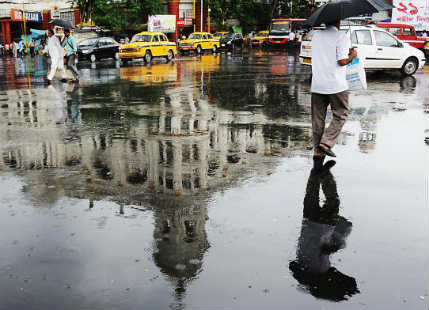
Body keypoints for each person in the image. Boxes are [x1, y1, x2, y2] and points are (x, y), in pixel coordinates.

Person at [289, 159, 359, 301]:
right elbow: (295, 262)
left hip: (325, 225)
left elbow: (327, 248)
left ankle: (325, 174)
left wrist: (340, 242)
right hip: (308, 221)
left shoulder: (321, 269)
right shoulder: (301, 264)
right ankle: (316, 169)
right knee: (311, 193)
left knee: (333, 200)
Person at [310, 20, 357, 158]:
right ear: (338, 21)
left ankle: (317, 151)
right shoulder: (342, 36)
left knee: (318, 118)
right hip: (336, 85)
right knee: (341, 113)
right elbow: (342, 61)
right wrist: (352, 56)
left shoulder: (316, 36)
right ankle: (326, 143)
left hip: (318, 83)